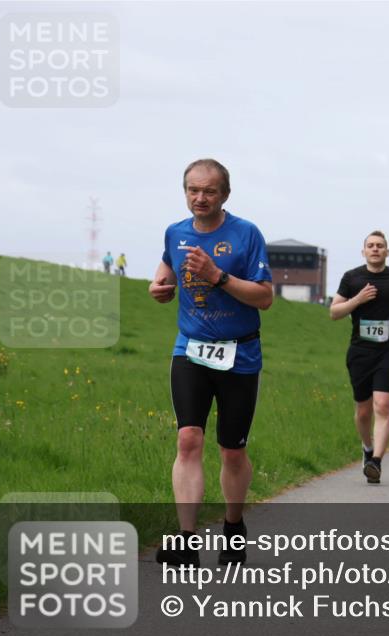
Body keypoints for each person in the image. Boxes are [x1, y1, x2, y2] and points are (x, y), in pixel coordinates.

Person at [150, 158, 273, 567]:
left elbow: (264, 298)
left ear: (225, 194)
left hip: (239, 353)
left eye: (209, 191)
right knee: (188, 439)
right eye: (193, 190)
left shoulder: (246, 234)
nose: (200, 198)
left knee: (231, 452)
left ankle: (233, 527)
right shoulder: (175, 232)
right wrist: (159, 286)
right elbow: (167, 267)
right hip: (191, 350)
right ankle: (186, 540)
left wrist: (217, 276)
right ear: (185, 191)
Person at [330, 231, 389, 484]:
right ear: (364, 252)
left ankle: (377, 463)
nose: (375, 249)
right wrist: (358, 299)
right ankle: (367, 448)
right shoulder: (352, 277)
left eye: (380, 246)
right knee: (363, 411)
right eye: (370, 246)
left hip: (388, 350)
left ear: (387, 251)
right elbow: (334, 312)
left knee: (382, 405)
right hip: (360, 351)